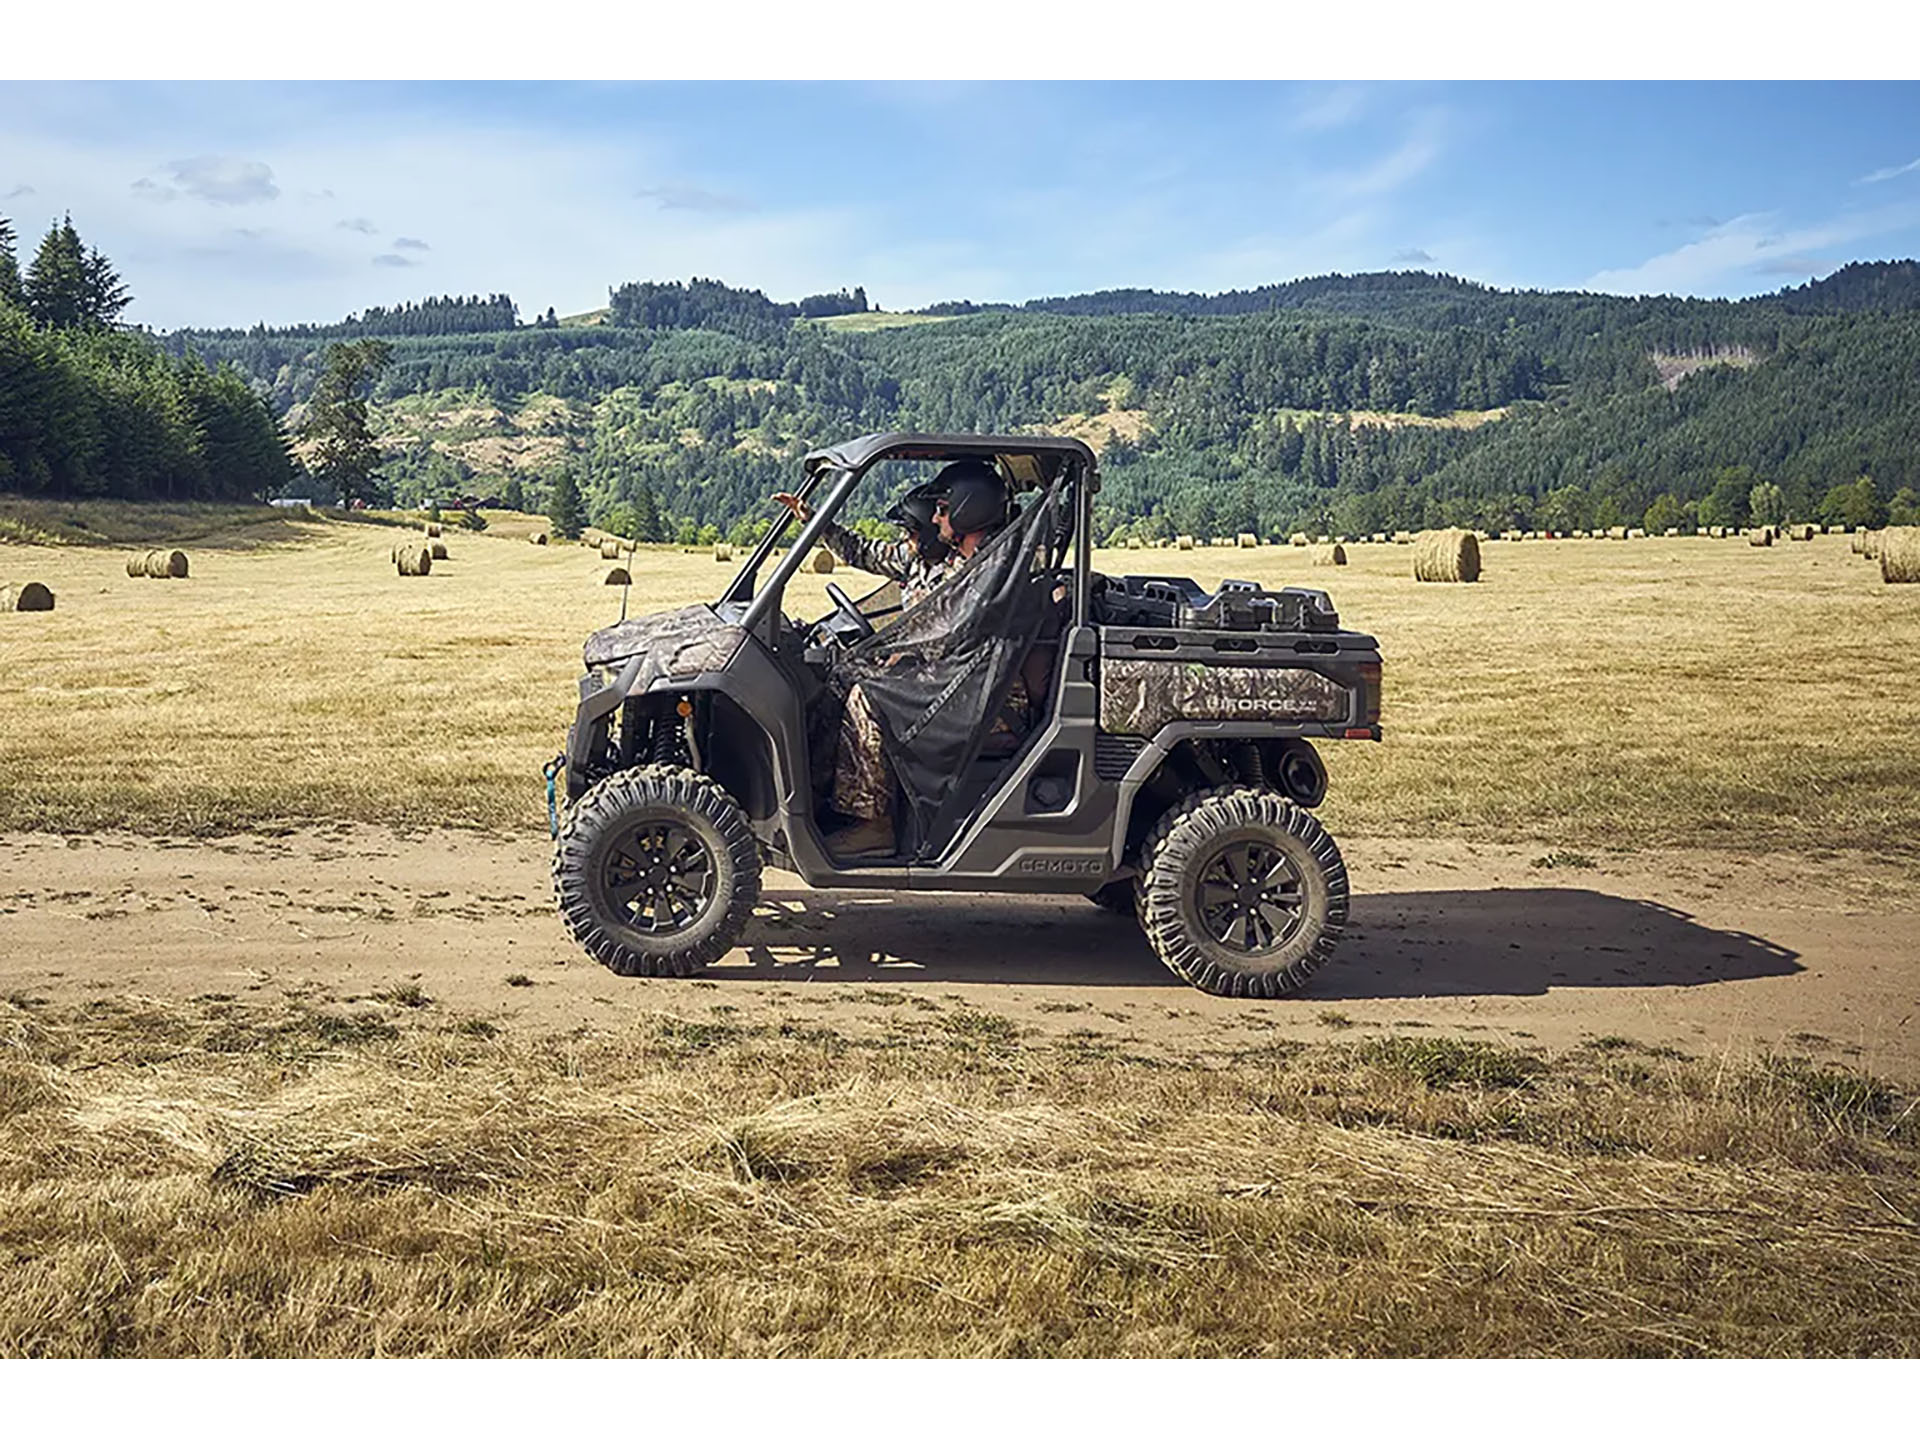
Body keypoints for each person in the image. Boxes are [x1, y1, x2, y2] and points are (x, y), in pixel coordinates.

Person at [783, 459, 1013, 859]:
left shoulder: (987, 567)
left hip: (980, 689)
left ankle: (875, 824)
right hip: (951, 676)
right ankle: (826, 799)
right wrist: (813, 520)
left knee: (866, 699)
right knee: (838, 679)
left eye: (944, 508)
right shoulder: (944, 560)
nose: (939, 517)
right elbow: (864, 552)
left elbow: (947, 634)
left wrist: (899, 657)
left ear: (967, 509)